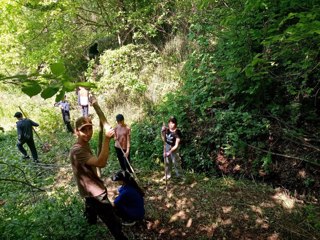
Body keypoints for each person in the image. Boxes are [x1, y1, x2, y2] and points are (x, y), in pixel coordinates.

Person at [69, 116, 128, 240]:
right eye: (84, 130)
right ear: (76, 131)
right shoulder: (78, 150)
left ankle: (90, 224)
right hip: (96, 194)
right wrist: (106, 140)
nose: (88, 133)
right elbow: (101, 163)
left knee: (91, 211)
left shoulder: (84, 144)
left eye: (90, 129)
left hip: (90, 191)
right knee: (114, 222)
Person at [161, 116, 183, 180]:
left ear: (175, 123)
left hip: (174, 148)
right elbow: (163, 139)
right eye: (170, 123)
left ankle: (180, 176)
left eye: (172, 123)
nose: (171, 124)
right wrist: (162, 131)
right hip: (167, 146)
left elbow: (176, 145)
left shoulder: (177, 132)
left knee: (175, 161)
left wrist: (169, 152)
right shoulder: (167, 130)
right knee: (167, 161)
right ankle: (167, 175)